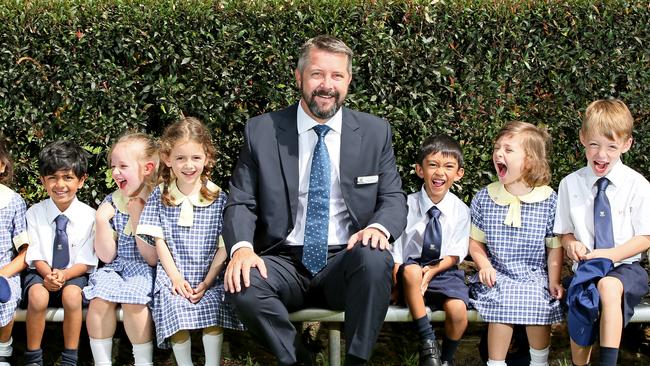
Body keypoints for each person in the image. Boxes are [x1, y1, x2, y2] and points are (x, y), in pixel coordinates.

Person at [223, 35, 407, 366]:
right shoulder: (262, 131)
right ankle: (299, 360)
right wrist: (242, 249)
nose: (327, 85)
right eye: (317, 74)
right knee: (242, 280)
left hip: (345, 258)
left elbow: (393, 197)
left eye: (337, 75)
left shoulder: (375, 132)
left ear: (348, 80)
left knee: (376, 256)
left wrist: (379, 227)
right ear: (299, 77)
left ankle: (357, 361)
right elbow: (242, 201)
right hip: (282, 260)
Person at [136, 117, 243, 366]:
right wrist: (174, 277)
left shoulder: (218, 197)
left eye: (196, 158)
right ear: (167, 158)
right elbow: (158, 239)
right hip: (174, 275)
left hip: (210, 275)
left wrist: (207, 281)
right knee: (173, 305)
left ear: (207, 157)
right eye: (181, 158)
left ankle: (212, 363)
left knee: (214, 306)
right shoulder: (160, 195)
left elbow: (223, 245)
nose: (188, 165)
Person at [554, 99, 650, 366]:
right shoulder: (569, 184)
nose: (602, 155)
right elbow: (566, 233)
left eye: (611, 146)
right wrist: (572, 245)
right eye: (594, 144)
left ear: (627, 144)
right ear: (583, 138)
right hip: (587, 266)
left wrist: (610, 253)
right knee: (581, 300)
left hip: (625, 268)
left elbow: (645, 238)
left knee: (608, 286)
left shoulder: (637, 185)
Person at [468, 122, 563, 366]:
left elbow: (554, 246)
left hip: (533, 275)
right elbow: (475, 242)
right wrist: (484, 265)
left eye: (508, 150)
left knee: (537, 301)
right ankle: (495, 362)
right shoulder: (485, 197)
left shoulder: (548, 199)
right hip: (499, 273)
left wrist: (553, 280)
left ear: (530, 161)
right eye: (497, 148)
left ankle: (539, 362)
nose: (499, 153)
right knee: (503, 298)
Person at [390, 135, 470, 366]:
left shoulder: (460, 210)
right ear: (419, 169)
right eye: (432, 165)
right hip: (410, 272)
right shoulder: (406, 205)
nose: (439, 172)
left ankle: (445, 360)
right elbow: (396, 249)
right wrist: (397, 281)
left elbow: (456, 252)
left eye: (448, 166)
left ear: (459, 174)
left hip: (445, 271)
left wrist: (433, 271)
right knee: (413, 271)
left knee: (457, 310)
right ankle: (428, 343)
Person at [83, 133, 159, 366]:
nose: (115, 172)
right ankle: (102, 362)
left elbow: (151, 258)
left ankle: (143, 361)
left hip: (146, 269)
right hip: (117, 267)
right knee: (98, 300)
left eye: (123, 166)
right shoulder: (113, 201)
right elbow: (107, 256)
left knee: (134, 302)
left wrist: (137, 217)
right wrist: (101, 221)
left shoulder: (158, 200)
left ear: (147, 168)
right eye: (113, 166)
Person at [23, 140, 97, 366]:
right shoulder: (35, 213)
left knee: (72, 296)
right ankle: (33, 357)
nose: (60, 184)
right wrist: (48, 275)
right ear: (43, 181)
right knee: (38, 295)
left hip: (74, 273)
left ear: (81, 180)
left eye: (67, 177)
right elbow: (34, 253)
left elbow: (86, 261)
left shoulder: (90, 216)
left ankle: (70, 357)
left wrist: (64, 276)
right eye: (52, 178)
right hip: (41, 271)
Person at [0, 140, 29, 366]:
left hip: (4, 270)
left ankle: (3, 348)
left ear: (2, 166)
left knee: (5, 299)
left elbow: (25, 250)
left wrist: (3, 273)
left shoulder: (13, 202)